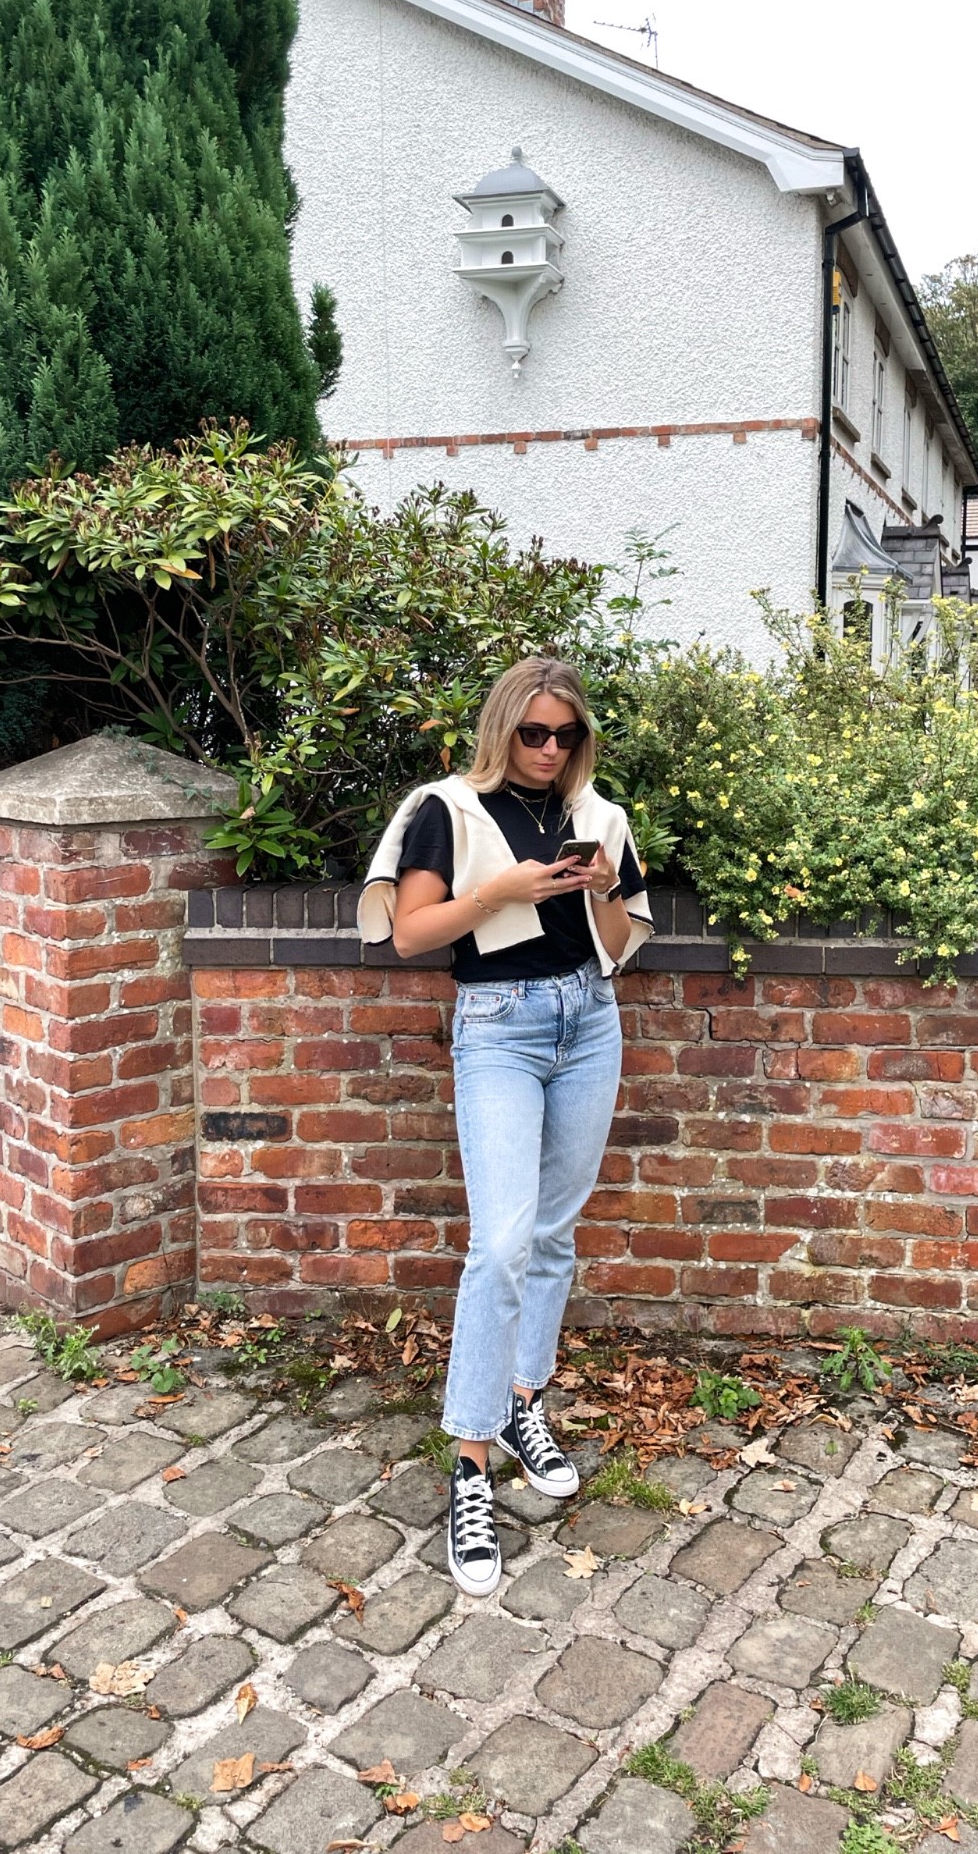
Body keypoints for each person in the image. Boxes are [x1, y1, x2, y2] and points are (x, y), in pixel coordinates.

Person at [358, 657, 653, 1595]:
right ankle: (472, 1461)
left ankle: (526, 1401)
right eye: (534, 733)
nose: (551, 750)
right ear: (502, 730)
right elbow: (409, 935)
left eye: (567, 735)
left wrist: (599, 886)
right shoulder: (448, 808)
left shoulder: (598, 816)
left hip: (587, 1020)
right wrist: (505, 893)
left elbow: (613, 951)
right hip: (499, 1026)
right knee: (501, 1244)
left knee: (555, 1236)